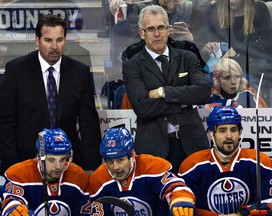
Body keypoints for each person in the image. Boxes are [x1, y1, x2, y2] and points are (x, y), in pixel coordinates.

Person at [0, 14, 102, 175]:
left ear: (65, 40)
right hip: (26, 163)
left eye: (59, 40)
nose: (54, 46)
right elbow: (5, 122)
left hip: (68, 164)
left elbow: (89, 125)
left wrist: (91, 169)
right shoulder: (16, 70)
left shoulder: (79, 72)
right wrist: (13, 166)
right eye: (48, 40)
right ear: (37, 40)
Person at [122, 5, 211, 173]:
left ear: (168, 30)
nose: (157, 34)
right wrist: (183, 102)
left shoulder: (188, 57)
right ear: (142, 33)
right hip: (154, 149)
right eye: (151, 29)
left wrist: (164, 92)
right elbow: (143, 107)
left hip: (192, 145)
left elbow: (203, 92)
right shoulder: (132, 66)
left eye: (161, 28)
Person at [178, 106, 272, 215]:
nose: (229, 136)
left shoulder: (259, 162)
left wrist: (242, 214)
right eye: (222, 130)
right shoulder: (192, 166)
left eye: (233, 130)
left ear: (240, 132)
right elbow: (186, 210)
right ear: (211, 134)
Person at [90, 127, 196, 215]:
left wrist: (180, 199)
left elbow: (176, 187)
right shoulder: (99, 178)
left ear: (132, 154)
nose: (115, 167)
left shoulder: (151, 167)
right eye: (110, 161)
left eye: (120, 160)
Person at [0, 128, 90, 216]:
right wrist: (13, 208)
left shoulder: (79, 176)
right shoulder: (20, 174)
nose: (58, 166)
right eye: (51, 159)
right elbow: (11, 202)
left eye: (62, 159)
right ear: (39, 157)